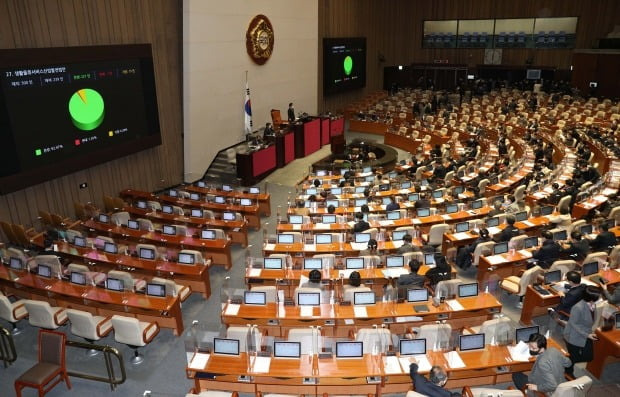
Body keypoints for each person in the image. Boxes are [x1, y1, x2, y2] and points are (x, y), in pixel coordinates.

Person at [563, 286, 601, 377]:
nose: (600, 297)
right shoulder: (578, 307)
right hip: (573, 335)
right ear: (591, 298)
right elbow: (574, 324)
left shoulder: (592, 304)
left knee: (589, 357)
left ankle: (566, 361)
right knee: (573, 356)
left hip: (586, 333)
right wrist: (587, 335)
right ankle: (568, 371)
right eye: (598, 296)